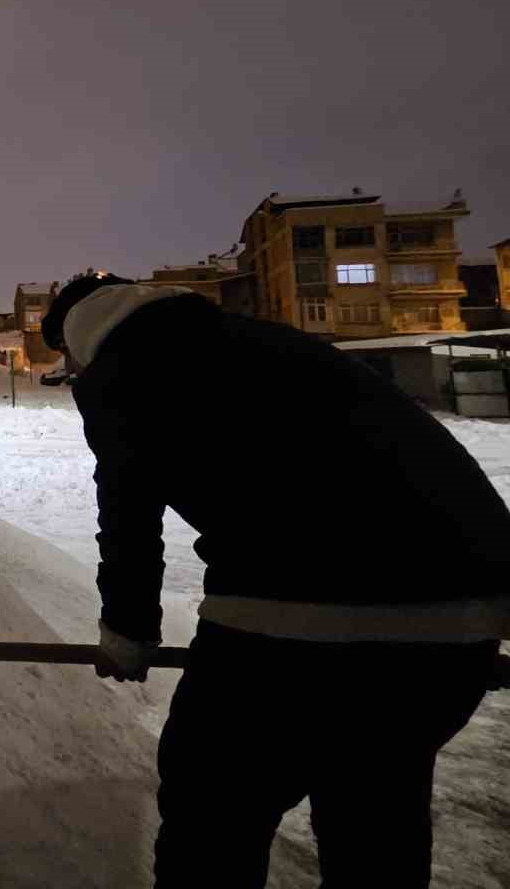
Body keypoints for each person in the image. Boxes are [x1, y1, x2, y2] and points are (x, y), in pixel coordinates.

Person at [41, 272, 510, 887]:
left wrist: (127, 633)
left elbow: (128, 515)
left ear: (78, 337)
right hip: (456, 631)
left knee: (211, 818)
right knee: (373, 818)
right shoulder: (273, 342)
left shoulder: (119, 369)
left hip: (289, 634)